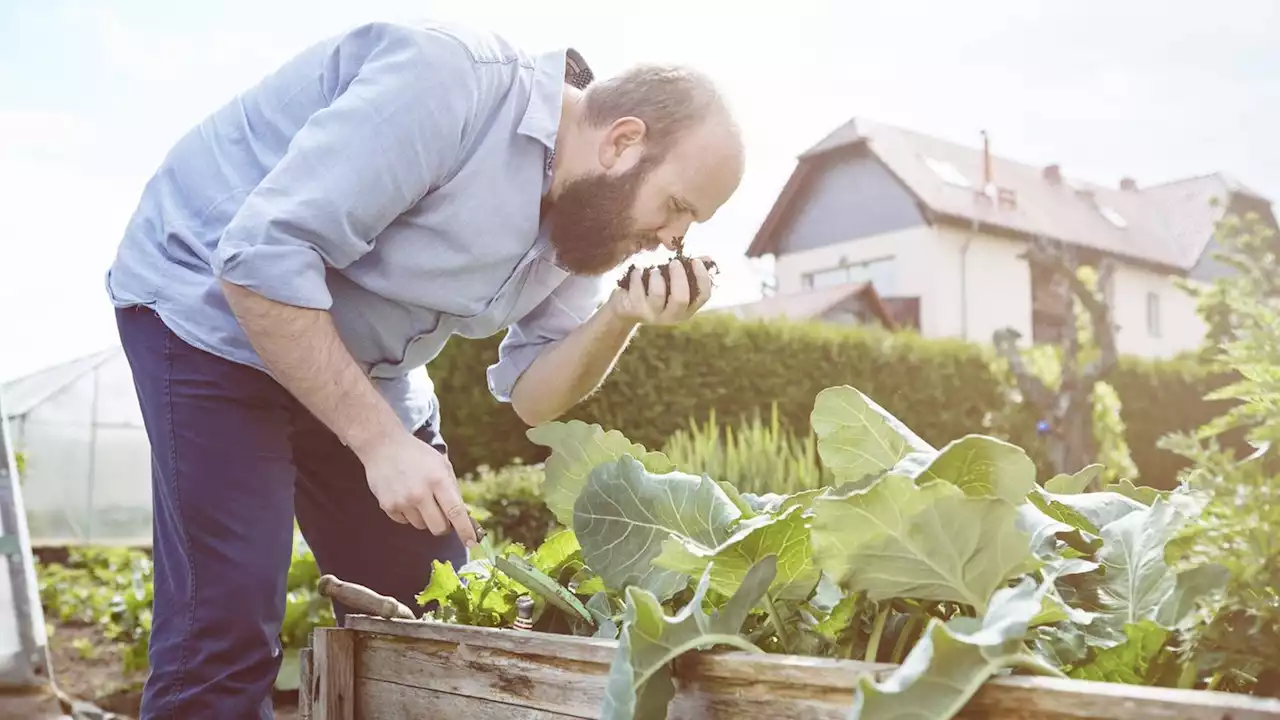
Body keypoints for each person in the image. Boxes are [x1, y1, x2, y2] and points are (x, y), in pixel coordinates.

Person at [103, 15, 744, 720]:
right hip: (212, 311)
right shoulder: (449, 83)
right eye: (679, 207)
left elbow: (533, 398)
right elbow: (259, 262)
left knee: (435, 620)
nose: (674, 238)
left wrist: (619, 317)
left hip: (363, 364)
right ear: (623, 142)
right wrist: (379, 444)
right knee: (224, 631)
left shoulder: (583, 224)